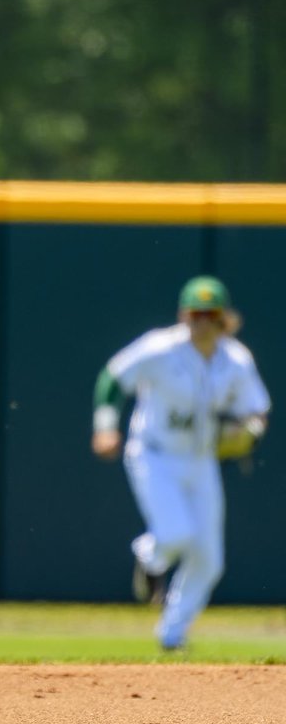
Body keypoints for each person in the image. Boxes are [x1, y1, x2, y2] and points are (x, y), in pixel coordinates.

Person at [90, 275, 270, 651]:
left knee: (209, 560)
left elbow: (256, 409)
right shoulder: (160, 348)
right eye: (195, 313)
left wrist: (249, 431)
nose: (202, 321)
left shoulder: (235, 360)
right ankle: (148, 555)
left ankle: (172, 635)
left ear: (224, 319)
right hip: (154, 453)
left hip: (202, 460)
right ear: (183, 315)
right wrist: (105, 426)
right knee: (175, 534)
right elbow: (113, 377)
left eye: (210, 313)